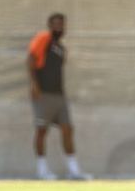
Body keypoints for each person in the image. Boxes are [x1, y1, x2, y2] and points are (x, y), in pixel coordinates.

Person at [28, 13, 91, 180]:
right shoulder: (43, 38)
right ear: (49, 25)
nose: (59, 27)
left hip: (59, 95)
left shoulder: (61, 48)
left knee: (67, 129)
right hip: (44, 94)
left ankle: (74, 171)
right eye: (56, 24)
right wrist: (34, 85)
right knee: (42, 130)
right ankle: (42, 171)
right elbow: (30, 59)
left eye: (62, 24)